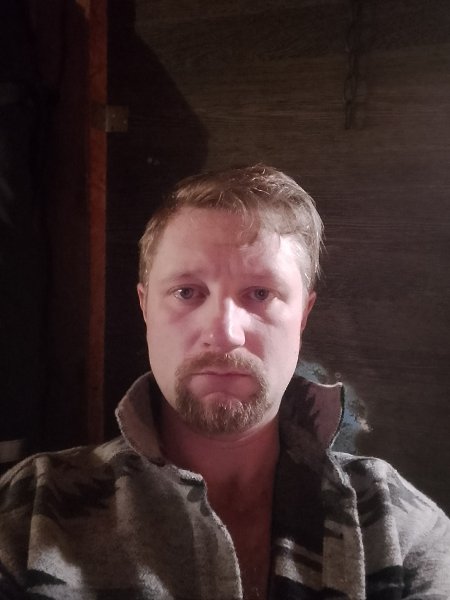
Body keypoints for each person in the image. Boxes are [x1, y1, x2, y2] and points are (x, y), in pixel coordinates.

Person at [0, 165, 449, 599]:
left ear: (303, 315)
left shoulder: (396, 527)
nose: (225, 333)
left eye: (260, 294)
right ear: (144, 307)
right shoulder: (32, 511)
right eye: (187, 292)